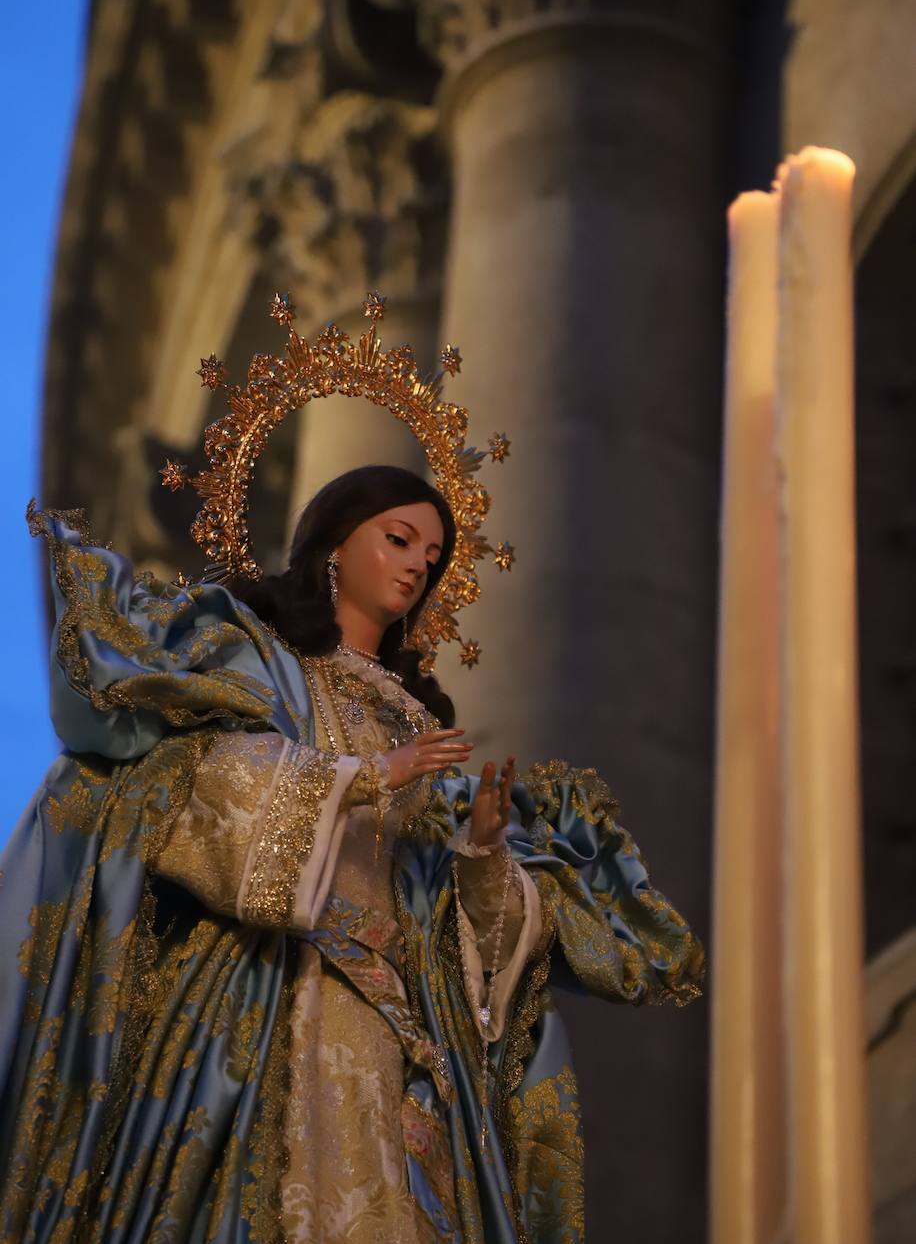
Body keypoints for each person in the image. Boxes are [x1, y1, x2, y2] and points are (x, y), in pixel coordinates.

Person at [0, 465, 704, 1244]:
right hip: (273, 992)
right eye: (399, 540)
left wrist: (480, 850)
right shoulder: (259, 663)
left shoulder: (416, 718)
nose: (416, 567)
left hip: (397, 1021)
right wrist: (365, 778)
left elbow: (442, 914)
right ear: (335, 543)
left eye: (431, 558)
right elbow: (190, 780)